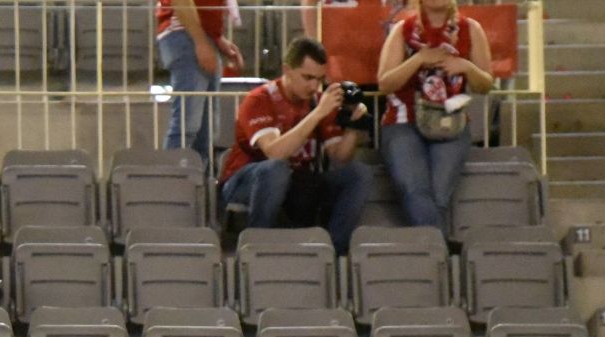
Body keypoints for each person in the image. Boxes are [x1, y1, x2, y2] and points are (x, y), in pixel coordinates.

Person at [218, 36, 371, 252]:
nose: (314, 86)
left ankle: (334, 252)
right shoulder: (260, 99)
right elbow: (275, 152)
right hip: (245, 180)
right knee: (276, 169)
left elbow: (340, 157)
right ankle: (256, 247)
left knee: (358, 173)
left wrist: (355, 125)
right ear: (287, 70)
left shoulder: (319, 101)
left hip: (297, 182)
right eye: (307, 77)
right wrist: (318, 114)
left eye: (319, 79)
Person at [376, 0, 495, 230]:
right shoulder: (402, 29)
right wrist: (418, 59)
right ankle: (439, 256)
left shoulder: (471, 29)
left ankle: (430, 257)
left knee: (439, 196)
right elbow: (385, 83)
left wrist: (467, 67)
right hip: (404, 121)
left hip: (451, 122)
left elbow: (486, 85)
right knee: (415, 191)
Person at [157, 0, 240, 153]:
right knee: (188, 124)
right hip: (186, 34)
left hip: (194, 35)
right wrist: (201, 42)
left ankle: (201, 175)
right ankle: (174, 174)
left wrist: (216, 39)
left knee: (205, 128)